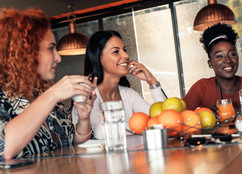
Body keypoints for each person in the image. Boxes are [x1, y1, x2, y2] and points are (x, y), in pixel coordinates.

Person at [0, 8, 96, 160]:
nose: (58, 58)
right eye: (51, 48)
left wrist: (84, 119)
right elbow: (5, 148)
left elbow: (72, 145)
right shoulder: (4, 98)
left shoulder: (41, 92)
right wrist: (53, 94)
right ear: (26, 52)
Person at [72, 30, 167, 139]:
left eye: (124, 50)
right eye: (116, 52)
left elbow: (164, 120)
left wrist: (151, 81)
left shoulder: (128, 94)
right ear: (98, 58)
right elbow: (101, 133)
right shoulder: (88, 96)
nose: (126, 55)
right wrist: (143, 127)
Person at [183, 23, 242, 112]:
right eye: (220, 56)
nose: (228, 60)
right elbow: (178, 118)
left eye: (232, 54)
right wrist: (205, 114)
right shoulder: (202, 88)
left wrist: (239, 112)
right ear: (210, 63)